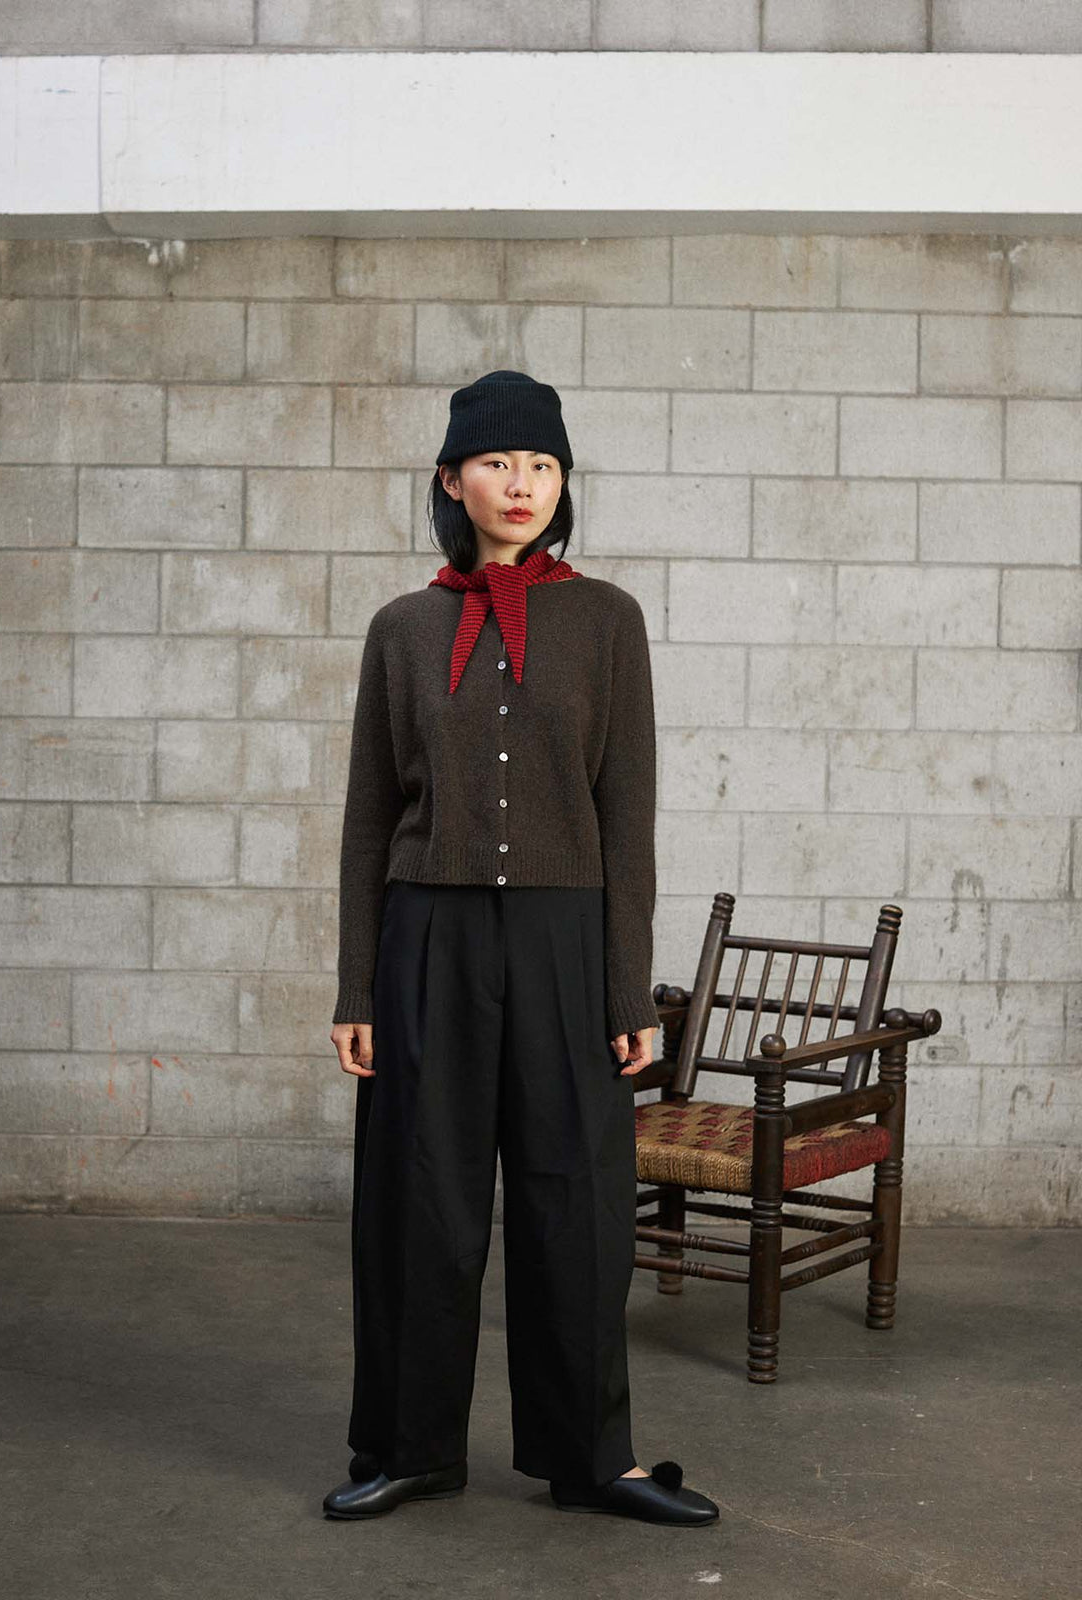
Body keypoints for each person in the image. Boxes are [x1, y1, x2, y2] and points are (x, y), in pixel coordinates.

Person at [323, 371, 719, 1528]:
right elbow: (362, 819)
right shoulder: (402, 630)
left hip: (562, 936)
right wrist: (357, 982)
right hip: (426, 938)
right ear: (452, 480)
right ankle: (407, 1447)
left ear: (562, 485)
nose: (522, 484)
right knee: (419, 1201)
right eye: (498, 463)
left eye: (543, 465)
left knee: (577, 1202)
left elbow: (627, 813)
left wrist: (624, 984)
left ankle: (594, 1458)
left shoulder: (608, 622)